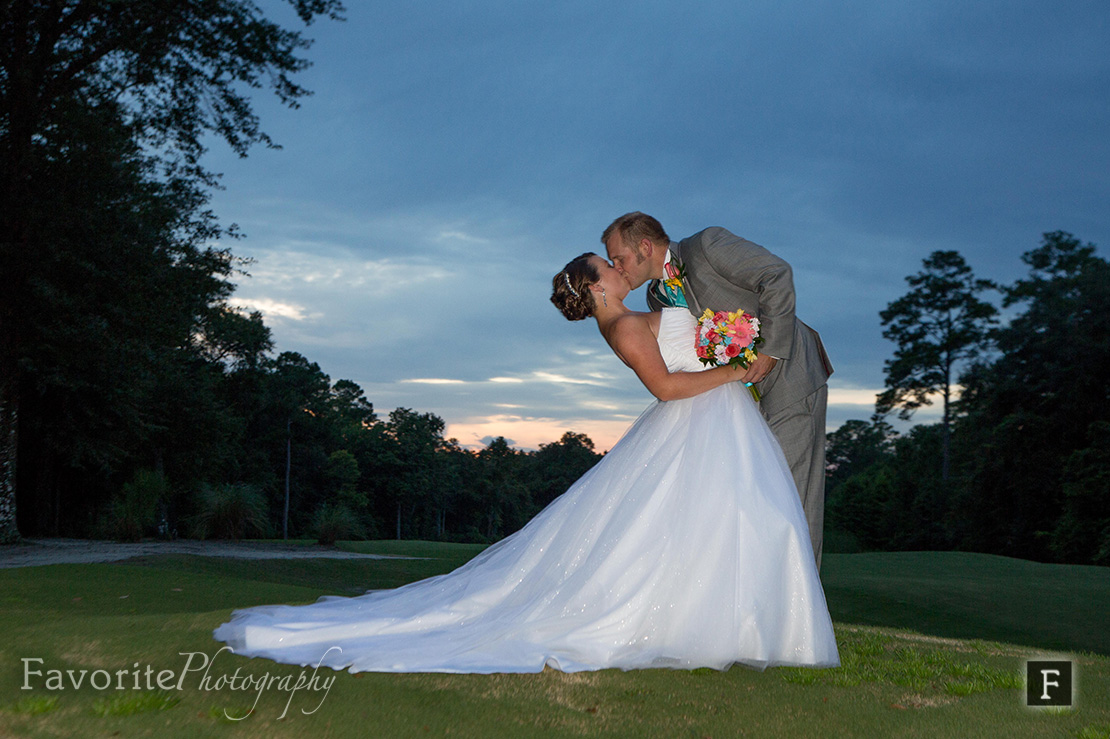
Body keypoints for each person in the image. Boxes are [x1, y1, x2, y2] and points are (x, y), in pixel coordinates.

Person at [212, 254, 838, 674]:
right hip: (699, 415)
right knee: (693, 528)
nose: (619, 269)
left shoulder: (635, 308)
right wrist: (734, 365)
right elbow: (669, 389)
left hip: (716, 421)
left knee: (728, 521)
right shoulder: (621, 326)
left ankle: (753, 625)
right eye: (608, 267)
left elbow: (683, 332)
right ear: (595, 287)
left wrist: (725, 333)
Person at [603, 212, 833, 568]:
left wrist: (770, 350)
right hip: (737, 404)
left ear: (644, 247)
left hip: (789, 376)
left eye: (619, 258)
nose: (617, 267)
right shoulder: (655, 298)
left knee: (791, 494)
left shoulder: (706, 246)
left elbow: (776, 274)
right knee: (754, 497)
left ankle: (804, 612)